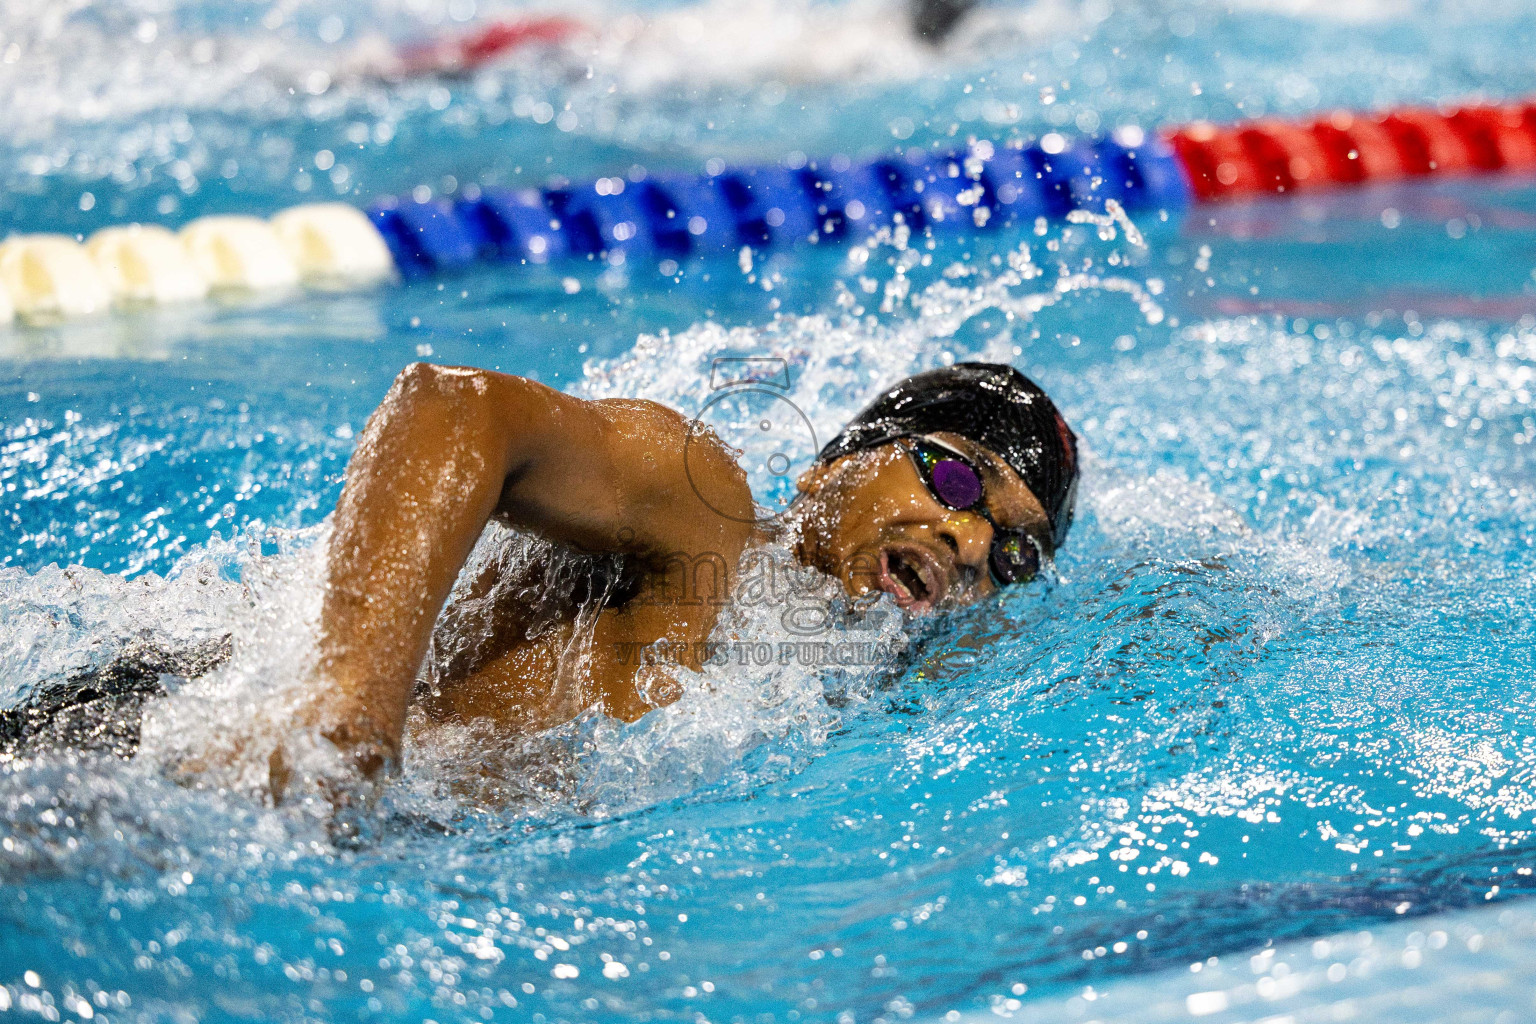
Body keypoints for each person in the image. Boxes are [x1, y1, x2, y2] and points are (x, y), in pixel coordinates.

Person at [2, 362, 1078, 799]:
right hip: (168, 752)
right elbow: (452, 407)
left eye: (1012, 552)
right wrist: (351, 706)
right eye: (951, 474)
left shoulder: (838, 670)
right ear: (845, 455)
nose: (970, 541)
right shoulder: (700, 508)